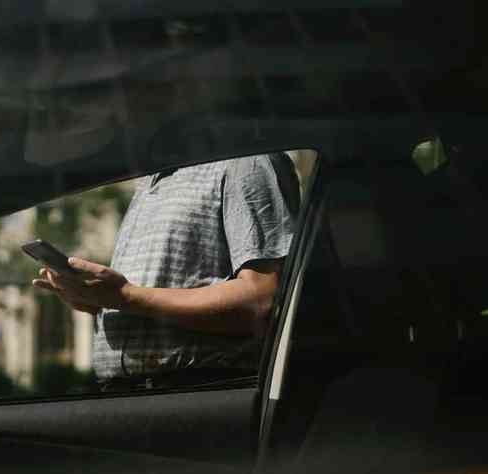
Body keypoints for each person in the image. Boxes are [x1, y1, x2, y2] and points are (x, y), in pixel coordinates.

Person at [33, 153, 299, 388]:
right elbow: (146, 297)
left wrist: (125, 297)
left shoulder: (245, 161)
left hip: (200, 392)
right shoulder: (148, 182)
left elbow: (262, 302)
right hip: (132, 396)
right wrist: (96, 299)